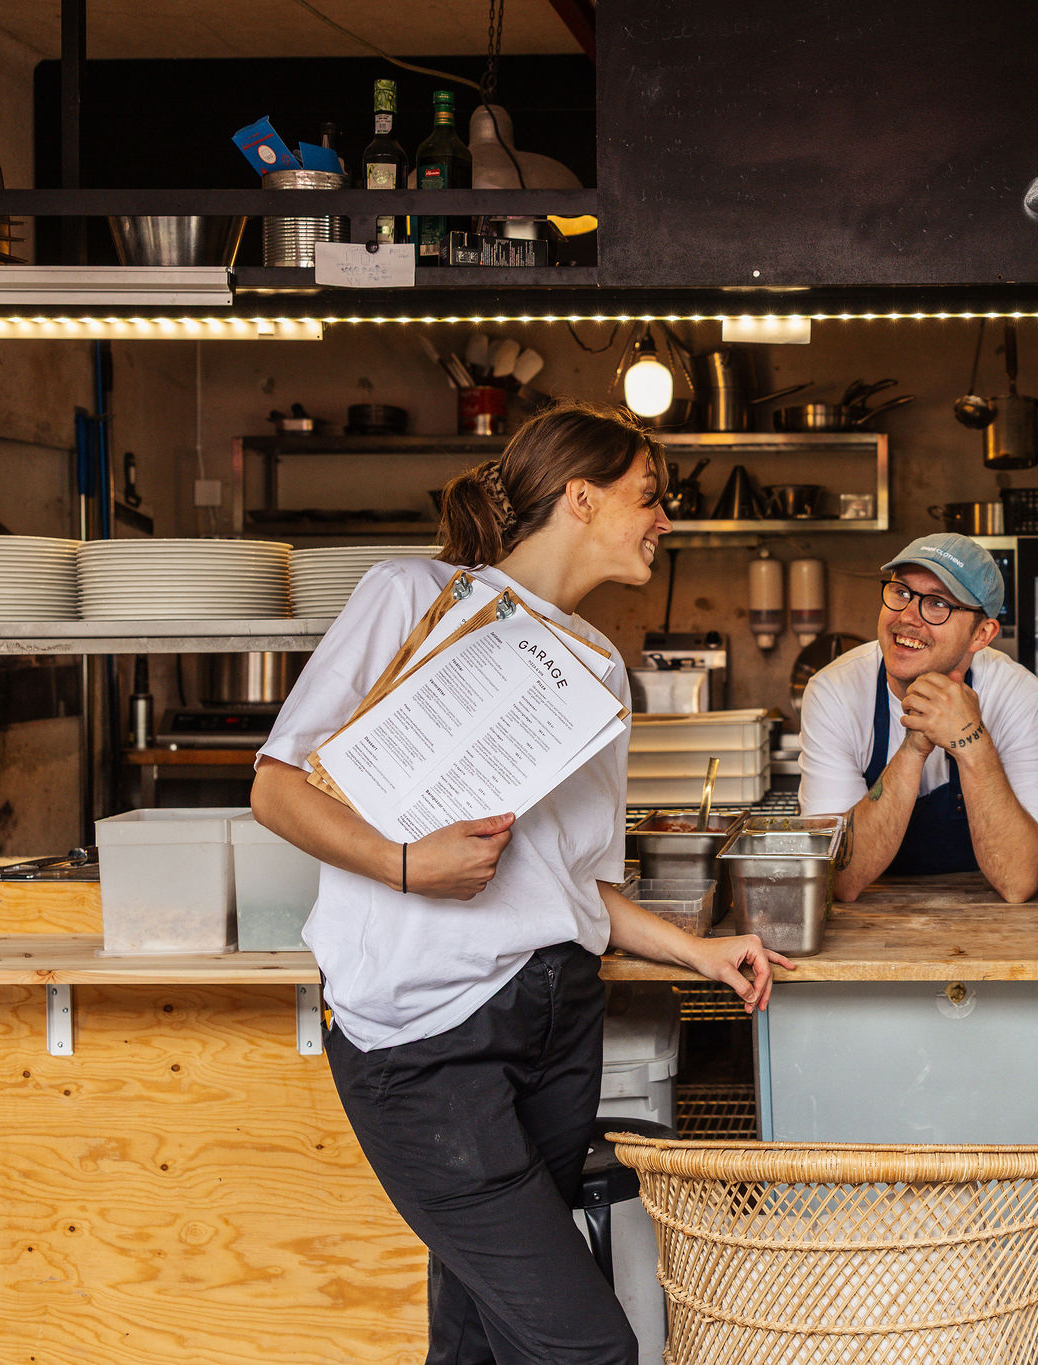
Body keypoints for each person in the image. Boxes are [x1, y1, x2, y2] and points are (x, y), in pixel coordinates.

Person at [250, 402, 793, 1365]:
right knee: (586, 1348)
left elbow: (573, 883)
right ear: (581, 497)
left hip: (555, 1025)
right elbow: (275, 786)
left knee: (478, 1337)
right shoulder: (412, 594)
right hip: (425, 1045)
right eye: (648, 496)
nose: (664, 518)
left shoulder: (599, 669)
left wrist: (695, 949)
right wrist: (407, 863)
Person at [797, 532, 1038, 902]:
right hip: (869, 917)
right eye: (901, 592)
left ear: (981, 634)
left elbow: (1018, 881)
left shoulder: (1018, 695)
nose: (907, 617)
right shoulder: (834, 691)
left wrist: (972, 741)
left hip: (982, 915)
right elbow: (839, 878)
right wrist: (914, 747)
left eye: (937, 604)